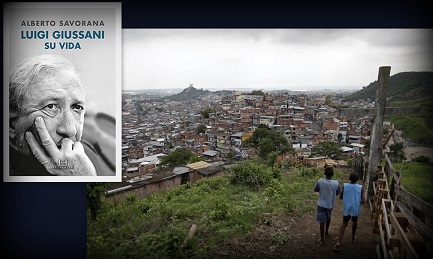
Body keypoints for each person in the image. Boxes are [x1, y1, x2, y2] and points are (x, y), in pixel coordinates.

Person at [9, 54, 115, 176]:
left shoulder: (88, 161)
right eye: (51, 106)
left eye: (77, 107)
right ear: (12, 126)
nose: (70, 130)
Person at [333, 173, 365, 251]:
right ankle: (353, 237)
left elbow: (340, 197)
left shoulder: (345, 185)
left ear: (349, 179)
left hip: (347, 208)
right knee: (354, 222)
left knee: (344, 223)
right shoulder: (360, 187)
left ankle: (338, 242)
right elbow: (363, 201)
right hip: (355, 208)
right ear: (357, 179)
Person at [314, 166, 341, 246]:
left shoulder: (320, 181)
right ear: (332, 174)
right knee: (328, 217)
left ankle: (322, 239)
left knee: (322, 221)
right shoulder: (336, 183)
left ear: (325, 174)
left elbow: (315, 189)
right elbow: (337, 193)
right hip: (330, 205)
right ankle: (326, 232)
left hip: (321, 204)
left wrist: (321, 191)